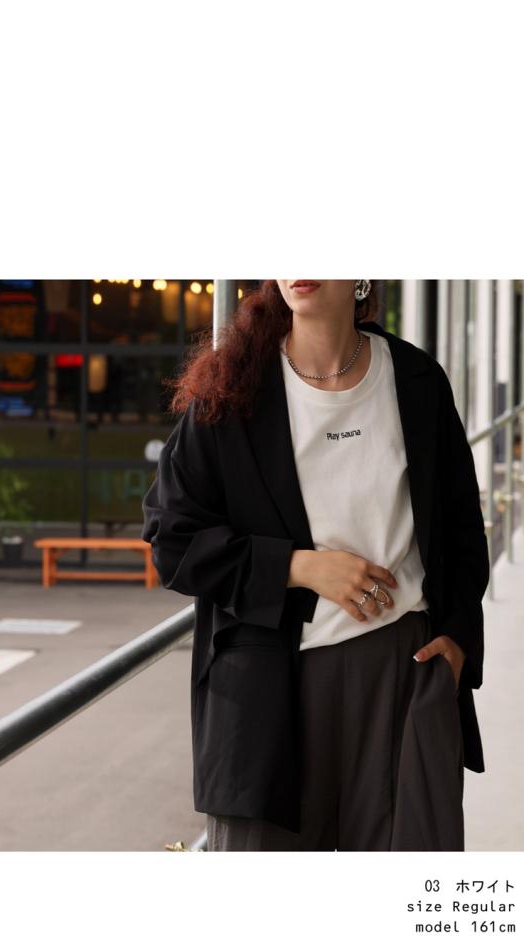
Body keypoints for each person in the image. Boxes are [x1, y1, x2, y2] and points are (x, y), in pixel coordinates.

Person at [141, 280, 490, 851]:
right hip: (268, 690)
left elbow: (460, 528)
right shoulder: (234, 388)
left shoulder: (416, 379)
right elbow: (172, 538)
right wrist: (299, 567)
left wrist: (456, 641)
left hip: (403, 672)